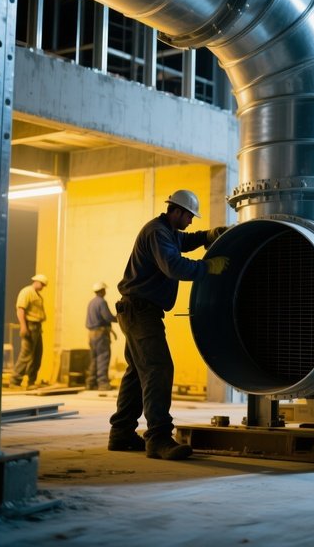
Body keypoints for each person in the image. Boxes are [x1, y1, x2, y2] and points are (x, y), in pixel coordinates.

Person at [108, 189, 230, 460]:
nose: (191, 222)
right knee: (158, 368)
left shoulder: (168, 232)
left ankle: (121, 433)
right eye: (189, 216)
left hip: (137, 310)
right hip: (140, 311)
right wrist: (207, 267)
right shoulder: (157, 233)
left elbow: (185, 240)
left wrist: (208, 236)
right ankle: (159, 438)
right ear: (176, 211)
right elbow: (174, 266)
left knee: (138, 373)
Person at [9, 274, 48, 390]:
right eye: (42, 284)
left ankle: (31, 381)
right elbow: (21, 309)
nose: (42, 287)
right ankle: (15, 380)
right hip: (30, 327)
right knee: (26, 355)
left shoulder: (37, 295)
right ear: (36, 281)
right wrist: (23, 327)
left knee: (37, 355)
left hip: (37, 328)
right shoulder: (27, 292)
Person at [86, 281, 118, 391]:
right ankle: (103, 383)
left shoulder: (91, 302)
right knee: (103, 357)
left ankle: (91, 382)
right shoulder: (102, 302)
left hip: (91, 334)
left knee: (94, 358)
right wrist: (118, 318)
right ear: (102, 291)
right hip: (101, 334)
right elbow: (107, 317)